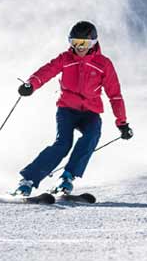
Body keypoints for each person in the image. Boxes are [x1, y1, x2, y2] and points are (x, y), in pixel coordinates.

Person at [12, 20, 132, 196]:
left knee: (92, 135)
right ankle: (28, 180)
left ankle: (67, 177)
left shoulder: (103, 64)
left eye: (84, 43)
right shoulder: (65, 59)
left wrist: (122, 122)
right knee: (63, 143)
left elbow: (114, 95)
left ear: (93, 43)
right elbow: (47, 71)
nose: (79, 47)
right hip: (67, 109)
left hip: (90, 112)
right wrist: (31, 84)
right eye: (75, 43)